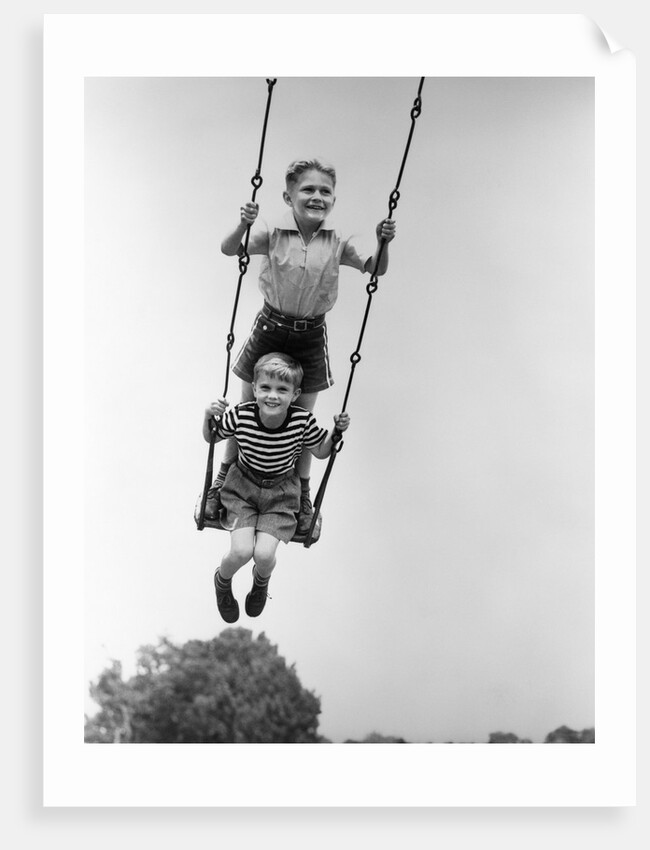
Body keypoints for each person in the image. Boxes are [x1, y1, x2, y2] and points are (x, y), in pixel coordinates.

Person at [210, 157, 395, 536]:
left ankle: (303, 496)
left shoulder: (339, 241)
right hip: (271, 327)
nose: (316, 197)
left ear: (333, 200)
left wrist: (382, 241)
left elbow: (375, 269)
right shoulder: (272, 234)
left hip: (311, 334)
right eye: (308, 190)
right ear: (289, 195)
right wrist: (244, 224)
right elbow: (232, 249)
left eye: (324, 191)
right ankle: (221, 483)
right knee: (247, 411)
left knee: (301, 423)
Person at [203, 352, 350, 622]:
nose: (273, 395)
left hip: (280, 495)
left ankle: (261, 583)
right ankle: (222, 582)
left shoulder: (301, 421)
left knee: (263, 554)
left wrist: (335, 433)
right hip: (241, 490)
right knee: (241, 551)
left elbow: (320, 451)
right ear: (254, 390)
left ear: (295, 395)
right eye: (265, 388)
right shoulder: (241, 414)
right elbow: (212, 437)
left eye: (282, 390)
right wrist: (208, 415)